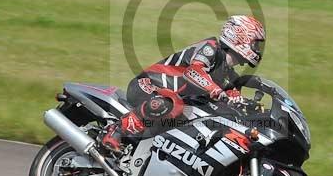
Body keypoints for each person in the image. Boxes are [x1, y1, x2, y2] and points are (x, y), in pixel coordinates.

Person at [100, 15, 266, 152]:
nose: (257, 49)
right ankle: (116, 130)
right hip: (147, 85)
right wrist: (216, 90)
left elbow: (232, 97)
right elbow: (193, 72)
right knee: (173, 104)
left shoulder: (228, 75)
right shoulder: (211, 48)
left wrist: (249, 106)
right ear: (240, 36)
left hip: (167, 100)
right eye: (255, 43)